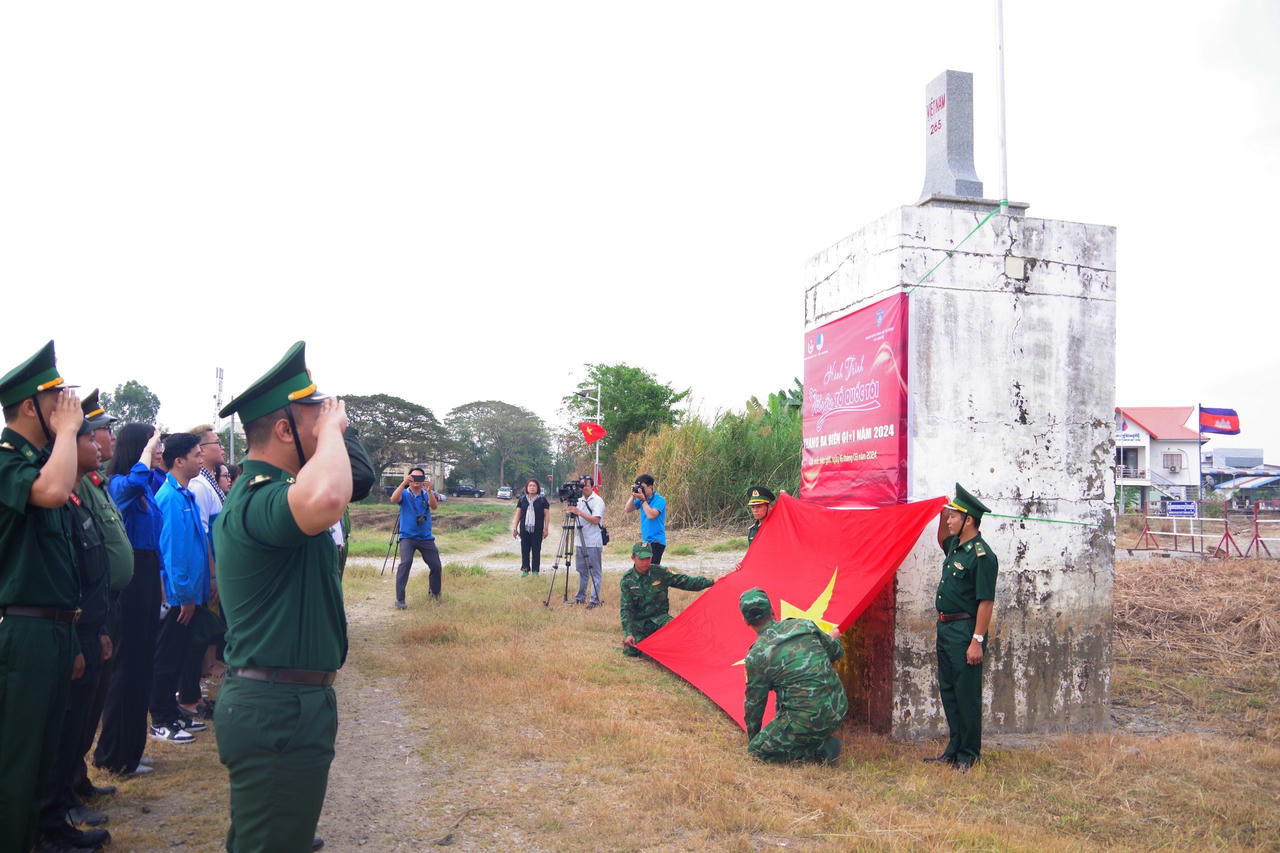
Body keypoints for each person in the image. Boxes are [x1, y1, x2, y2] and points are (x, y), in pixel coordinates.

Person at [212, 341, 352, 852]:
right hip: (276, 708)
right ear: (284, 430)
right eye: (315, 416)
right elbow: (329, 496)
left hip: (288, 703)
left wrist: (327, 433)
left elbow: (342, 487)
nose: (329, 423)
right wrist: (332, 433)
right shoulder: (257, 499)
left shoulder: (279, 494)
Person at [0, 341, 84, 853]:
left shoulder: (42, 461)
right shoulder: (7, 461)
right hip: (23, 627)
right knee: (18, 761)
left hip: (53, 626)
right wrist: (69, 433)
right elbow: (52, 492)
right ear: (31, 407)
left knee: (45, 756)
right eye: (57, 398)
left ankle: (39, 838)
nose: (67, 406)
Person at [36, 415, 115, 853]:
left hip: (88, 627)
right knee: (65, 728)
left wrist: (99, 629)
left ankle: (68, 795)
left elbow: (93, 571)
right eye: (89, 437)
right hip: (71, 629)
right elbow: (70, 577)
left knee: (81, 721)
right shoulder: (58, 501)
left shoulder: (79, 498)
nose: (99, 444)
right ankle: (57, 810)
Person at [93, 423, 165, 776]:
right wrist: (147, 453)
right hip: (131, 582)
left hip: (148, 573)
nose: (160, 450)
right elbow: (134, 482)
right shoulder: (118, 484)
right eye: (154, 445)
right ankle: (112, 752)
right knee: (126, 665)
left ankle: (132, 749)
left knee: (142, 664)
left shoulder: (147, 485)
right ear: (138, 448)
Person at [72, 390, 131, 809]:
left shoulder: (98, 483)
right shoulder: (78, 487)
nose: (104, 439)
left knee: (92, 701)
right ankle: (64, 789)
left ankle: (76, 779)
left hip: (106, 604)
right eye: (96, 433)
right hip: (88, 607)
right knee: (78, 705)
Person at [926, 483, 998, 772]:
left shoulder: (982, 555)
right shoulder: (956, 547)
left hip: (965, 630)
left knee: (966, 694)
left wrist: (976, 640)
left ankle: (969, 755)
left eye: (953, 516)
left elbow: (986, 602)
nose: (949, 521)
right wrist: (940, 510)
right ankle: (954, 749)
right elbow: (942, 537)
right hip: (945, 629)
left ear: (968, 520)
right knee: (949, 691)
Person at [149, 432, 212, 744]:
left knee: (179, 656)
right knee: (167, 659)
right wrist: (185, 595)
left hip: (189, 596)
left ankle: (173, 712)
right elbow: (173, 554)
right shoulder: (171, 498)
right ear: (179, 460)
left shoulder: (185, 494)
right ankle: (160, 720)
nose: (201, 459)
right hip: (178, 598)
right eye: (196, 455)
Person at [739, 587, 846, 765]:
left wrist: (755, 739)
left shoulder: (756, 656)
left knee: (756, 752)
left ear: (745, 621)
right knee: (786, 694)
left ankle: (819, 748)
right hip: (839, 706)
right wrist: (828, 639)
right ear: (773, 611)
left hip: (809, 718)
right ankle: (816, 737)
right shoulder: (804, 626)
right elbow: (837, 652)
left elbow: (754, 705)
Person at [619, 541, 714, 657]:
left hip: (661, 619)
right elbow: (626, 609)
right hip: (640, 624)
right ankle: (655, 644)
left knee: (682, 636)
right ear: (633, 558)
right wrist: (629, 633)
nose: (645, 562)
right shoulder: (627, 580)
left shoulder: (660, 572)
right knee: (630, 650)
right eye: (641, 559)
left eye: (648, 558)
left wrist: (711, 582)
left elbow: (686, 581)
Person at [390, 466, 441, 608]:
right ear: (409, 478)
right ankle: (400, 599)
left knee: (436, 565)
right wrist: (403, 483)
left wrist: (429, 490)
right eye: (413, 477)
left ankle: (435, 593)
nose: (416, 480)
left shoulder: (427, 493)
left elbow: (434, 506)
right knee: (405, 563)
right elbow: (393, 499)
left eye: (420, 477)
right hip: (407, 537)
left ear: (424, 479)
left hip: (425, 537)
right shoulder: (405, 493)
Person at [566, 475, 605, 607]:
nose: (583, 489)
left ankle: (594, 600)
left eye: (586, 486)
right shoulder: (579, 500)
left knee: (595, 572)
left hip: (593, 541)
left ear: (592, 486)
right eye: (581, 486)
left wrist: (579, 512)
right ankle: (580, 598)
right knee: (582, 571)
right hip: (579, 541)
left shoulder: (597, 501)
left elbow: (596, 520)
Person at [624, 473, 667, 565]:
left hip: (657, 541)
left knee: (651, 568)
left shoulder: (660, 500)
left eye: (642, 488)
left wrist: (643, 500)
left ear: (650, 487)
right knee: (640, 567)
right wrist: (633, 495)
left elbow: (651, 515)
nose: (641, 490)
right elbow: (627, 509)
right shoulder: (642, 500)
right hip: (646, 541)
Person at [511, 479, 550, 577]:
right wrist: (515, 528)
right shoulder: (522, 499)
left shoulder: (542, 500)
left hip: (537, 528)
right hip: (524, 528)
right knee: (525, 549)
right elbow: (518, 514)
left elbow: (547, 515)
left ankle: (535, 570)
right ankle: (525, 569)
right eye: (530, 486)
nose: (532, 487)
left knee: (536, 549)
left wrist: (546, 529)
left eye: (534, 486)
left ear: (537, 488)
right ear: (527, 488)